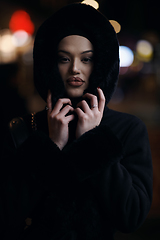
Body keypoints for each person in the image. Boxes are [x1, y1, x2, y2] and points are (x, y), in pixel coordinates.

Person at [1, 3, 152, 240]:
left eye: (86, 59)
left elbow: (131, 216)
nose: (75, 69)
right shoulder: (24, 128)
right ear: (51, 65)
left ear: (100, 64)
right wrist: (50, 146)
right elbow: (5, 219)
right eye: (64, 59)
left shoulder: (128, 128)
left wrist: (93, 140)